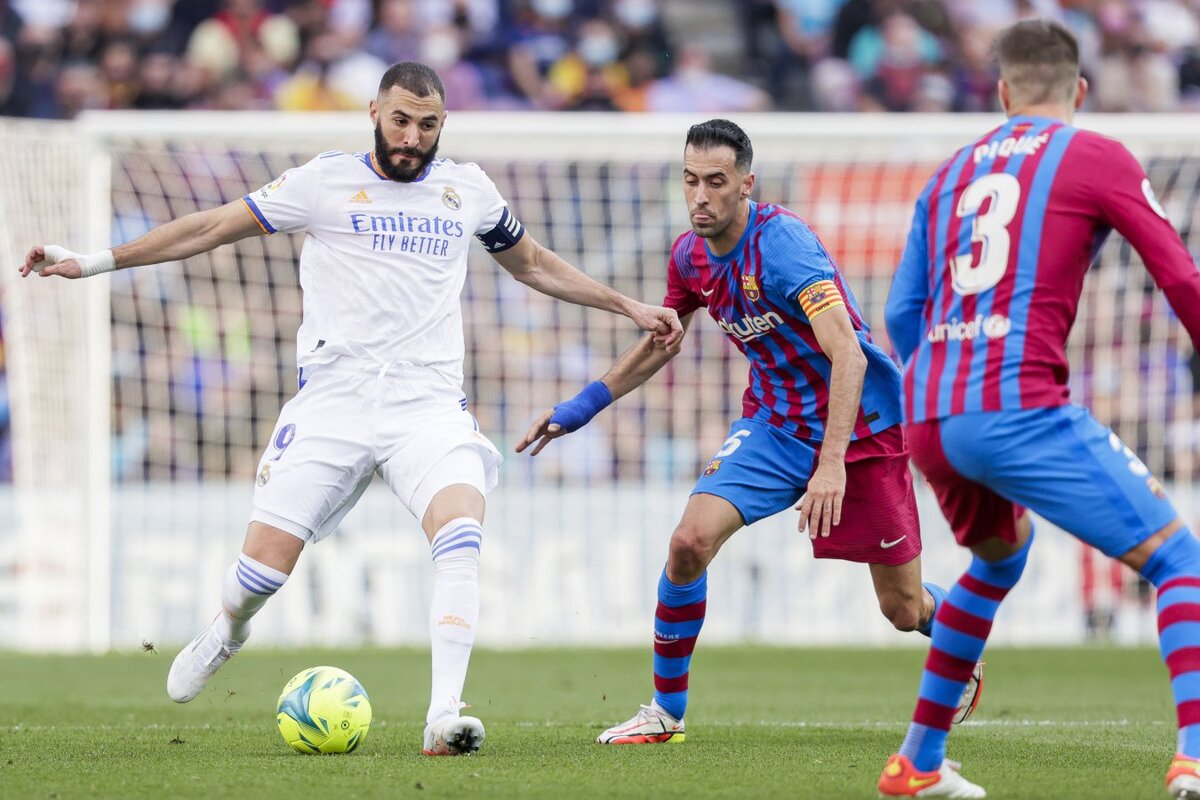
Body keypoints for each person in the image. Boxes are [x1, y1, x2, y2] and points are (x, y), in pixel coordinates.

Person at [21, 61, 682, 757]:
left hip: (427, 408)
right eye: (400, 120)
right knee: (258, 580)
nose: (412, 136)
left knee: (460, 536)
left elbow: (534, 264)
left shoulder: (469, 190)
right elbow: (212, 228)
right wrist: (92, 261)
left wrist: (627, 305)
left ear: (442, 126)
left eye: (427, 125)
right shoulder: (324, 182)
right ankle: (228, 630)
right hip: (333, 406)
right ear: (374, 111)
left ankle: (443, 715)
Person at [518, 118, 979, 746]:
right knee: (688, 543)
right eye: (690, 181)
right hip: (774, 425)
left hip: (861, 431)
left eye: (716, 182)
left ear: (746, 184)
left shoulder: (784, 246)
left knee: (902, 611)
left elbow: (848, 355)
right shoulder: (689, 256)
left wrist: (833, 464)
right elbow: (664, 341)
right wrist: (583, 405)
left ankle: (960, 631)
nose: (700, 196)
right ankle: (665, 712)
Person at [876, 19, 1200, 799]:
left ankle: (918, 762)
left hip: (929, 412)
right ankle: (1195, 752)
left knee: (998, 559)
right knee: (1179, 561)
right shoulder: (1096, 155)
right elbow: (1180, 276)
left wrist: (950, 374)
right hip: (1015, 404)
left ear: (1002, 92)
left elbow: (898, 313)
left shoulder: (951, 170)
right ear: (1079, 91)